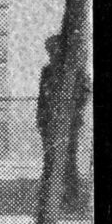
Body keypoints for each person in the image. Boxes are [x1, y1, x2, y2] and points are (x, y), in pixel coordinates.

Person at [37, 34, 90, 211]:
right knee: (50, 159)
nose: (52, 54)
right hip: (49, 124)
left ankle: (71, 199)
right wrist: (41, 120)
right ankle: (49, 198)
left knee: (68, 160)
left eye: (55, 50)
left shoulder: (75, 71)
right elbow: (41, 100)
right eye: (50, 51)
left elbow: (86, 92)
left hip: (69, 124)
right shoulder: (47, 71)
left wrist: (73, 109)